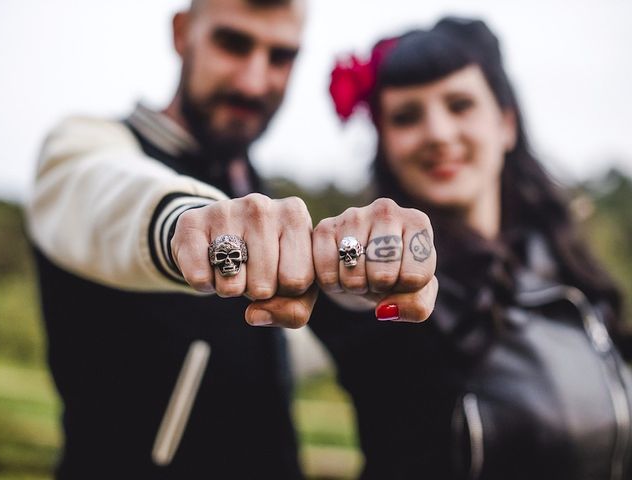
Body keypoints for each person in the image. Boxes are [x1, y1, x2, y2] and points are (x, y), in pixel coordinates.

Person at [25, 0, 437, 478]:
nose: (253, 81)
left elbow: (274, 344)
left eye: (280, 56)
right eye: (232, 43)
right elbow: (110, 197)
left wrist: (356, 289)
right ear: (182, 33)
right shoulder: (87, 145)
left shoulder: (261, 190)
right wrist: (187, 224)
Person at [312, 16, 632, 479]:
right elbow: (348, 292)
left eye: (460, 105)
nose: (438, 133)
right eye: (406, 117)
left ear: (505, 125)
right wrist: (350, 262)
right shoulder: (394, 287)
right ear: (385, 143)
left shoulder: (569, 269)